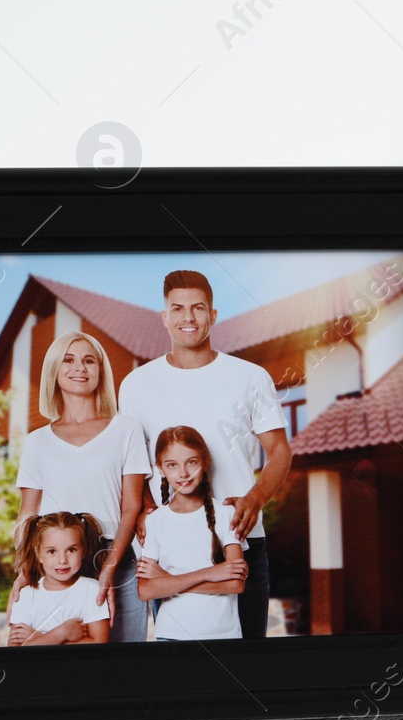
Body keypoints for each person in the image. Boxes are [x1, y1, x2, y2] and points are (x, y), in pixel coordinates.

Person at [118, 270, 291, 640]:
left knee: (245, 663)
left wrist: (255, 498)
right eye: (177, 309)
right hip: (171, 545)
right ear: (164, 318)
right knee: (178, 661)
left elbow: (279, 451)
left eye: (198, 308)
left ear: (213, 315)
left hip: (240, 537)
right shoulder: (136, 385)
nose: (188, 318)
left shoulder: (250, 376)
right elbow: (130, 464)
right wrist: (148, 508)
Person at [13, 331, 150, 642]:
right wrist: (25, 569)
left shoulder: (126, 430)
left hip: (115, 555)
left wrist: (109, 568)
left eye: (89, 360)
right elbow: (27, 513)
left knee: (123, 659)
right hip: (55, 564)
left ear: (100, 371)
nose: (80, 368)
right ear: (54, 372)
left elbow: (131, 506)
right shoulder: (37, 442)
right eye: (69, 360)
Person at [135, 427, 247, 641]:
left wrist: (167, 581)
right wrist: (208, 573)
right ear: (160, 468)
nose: (183, 473)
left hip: (224, 635)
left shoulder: (226, 514)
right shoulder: (155, 521)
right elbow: (146, 591)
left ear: (205, 463)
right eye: (172, 465)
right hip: (172, 634)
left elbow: (235, 584)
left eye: (191, 462)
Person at [9, 512, 110, 645]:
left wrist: (39, 639)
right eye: (52, 551)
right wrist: (61, 633)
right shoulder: (26, 595)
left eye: (71, 550)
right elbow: (15, 654)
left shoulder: (92, 590)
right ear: (38, 553)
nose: (62, 560)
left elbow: (100, 643)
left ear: (83, 550)